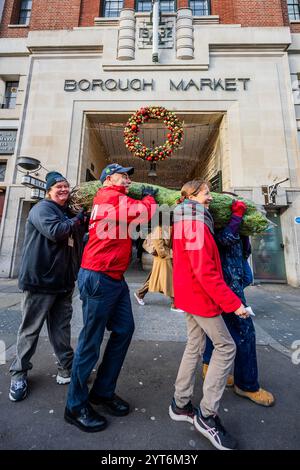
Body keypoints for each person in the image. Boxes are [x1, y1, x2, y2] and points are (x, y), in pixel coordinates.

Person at [65, 163, 157, 433]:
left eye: (129, 176)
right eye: (123, 175)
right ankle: (75, 406)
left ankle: (102, 393)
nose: (128, 179)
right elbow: (144, 213)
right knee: (90, 343)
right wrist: (149, 197)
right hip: (98, 277)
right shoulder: (108, 197)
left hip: (114, 279)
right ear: (107, 179)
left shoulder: (118, 198)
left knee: (125, 330)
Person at [169, 179, 249, 451]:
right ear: (192, 194)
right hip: (200, 296)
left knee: (195, 345)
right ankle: (207, 415)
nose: (210, 198)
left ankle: (180, 404)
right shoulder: (194, 223)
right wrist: (233, 303)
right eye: (206, 193)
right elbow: (205, 270)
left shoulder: (185, 217)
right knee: (226, 346)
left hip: (188, 294)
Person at [9, 171, 86, 402]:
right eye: (58, 186)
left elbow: (77, 240)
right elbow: (56, 232)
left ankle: (66, 368)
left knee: (61, 329)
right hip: (40, 281)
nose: (63, 189)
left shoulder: (67, 212)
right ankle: (19, 373)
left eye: (66, 186)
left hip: (63, 283)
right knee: (30, 329)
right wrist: (78, 219)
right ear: (48, 190)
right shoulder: (42, 209)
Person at [202, 197, 275, 406]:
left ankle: (209, 367)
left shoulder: (227, 221)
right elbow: (223, 241)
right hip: (226, 286)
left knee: (219, 329)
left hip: (230, 283)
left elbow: (242, 250)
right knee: (244, 334)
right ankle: (247, 385)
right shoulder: (210, 222)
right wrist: (236, 217)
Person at [134, 212, 183, 312]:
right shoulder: (159, 229)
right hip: (164, 258)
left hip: (165, 257)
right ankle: (175, 304)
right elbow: (160, 248)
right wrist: (172, 254)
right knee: (170, 280)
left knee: (154, 278)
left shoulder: (168, 227)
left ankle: (140, 293)